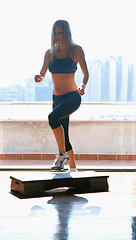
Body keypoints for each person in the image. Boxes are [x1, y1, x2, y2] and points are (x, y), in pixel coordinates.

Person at [34, 20, 89, 172]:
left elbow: (86, 73)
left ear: (67, 33)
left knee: (52, 118)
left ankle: (61, 155)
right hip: (56, 98)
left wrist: (82, 86)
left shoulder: (76, 51)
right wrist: (38, 77)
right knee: (64, 136)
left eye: (60, 33)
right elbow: (43, 73)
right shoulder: (49, 53)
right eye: (55, 33)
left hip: (72, 96)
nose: (57, 36)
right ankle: (73, 169)